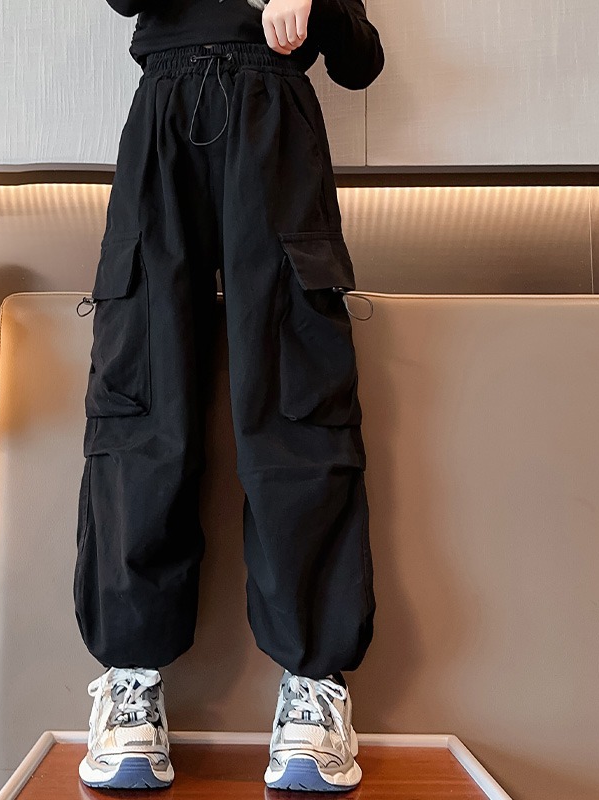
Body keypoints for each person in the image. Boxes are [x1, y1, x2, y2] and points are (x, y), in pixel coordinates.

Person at [73, 0, 385, 791]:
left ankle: (314, 688)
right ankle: (130, 684)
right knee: (143, 401)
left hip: (277, 119)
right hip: (163, 113)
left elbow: (360, 61)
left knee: (297, 406)